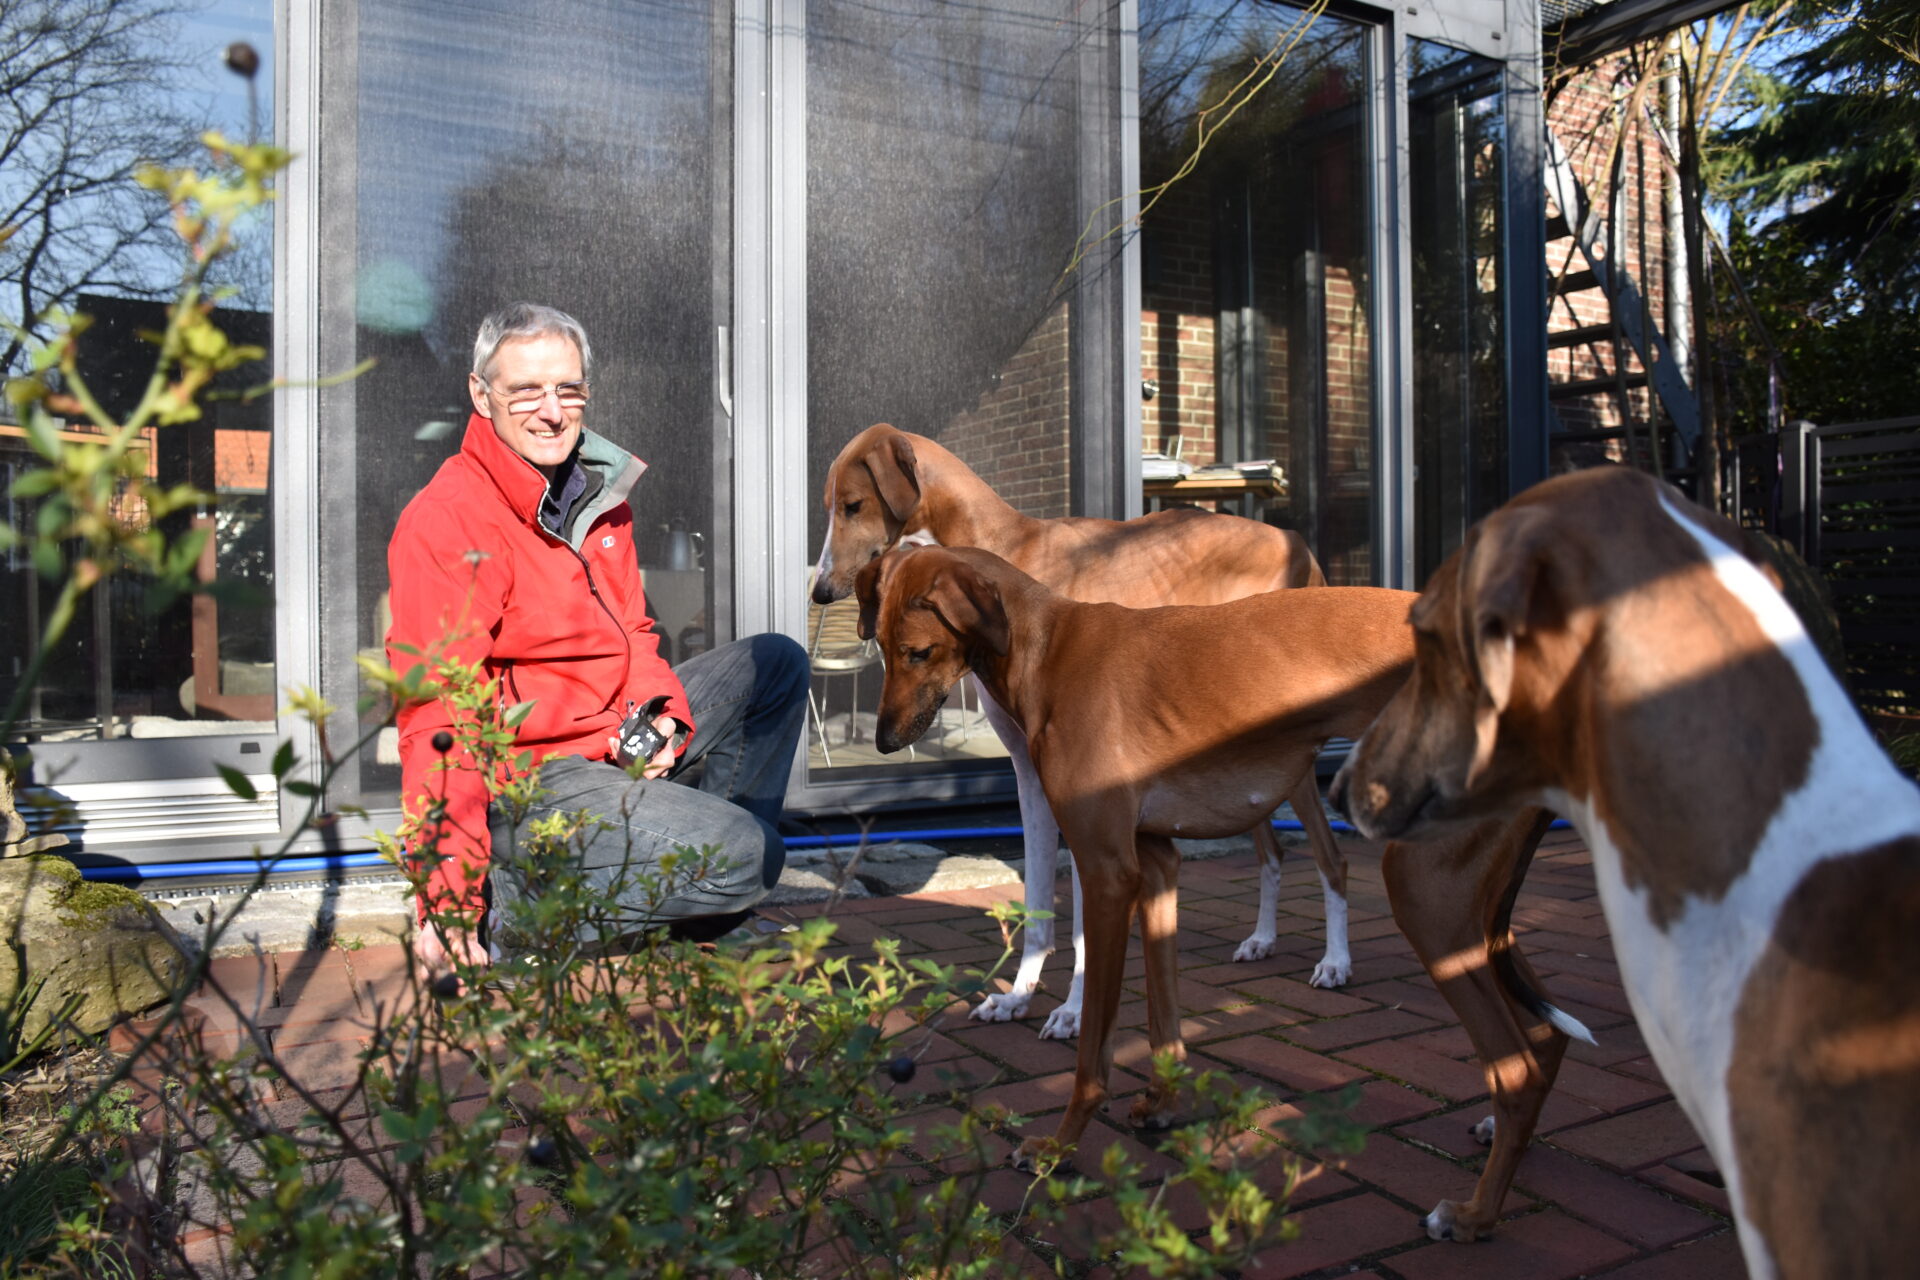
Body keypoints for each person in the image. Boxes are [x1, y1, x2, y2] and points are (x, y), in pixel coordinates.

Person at [386, 302, 807, 973]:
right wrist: (446, 900)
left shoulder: (593, 494)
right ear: (480, 393)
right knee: (755, 854)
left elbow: (633, 631)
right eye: (525, 389)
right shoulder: (450, 520)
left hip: (610, 734)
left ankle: (704, 910)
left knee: (775, 664)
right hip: (531, 777)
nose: (551, 410)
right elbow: (438, 713)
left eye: (568, 388)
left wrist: (660, 713)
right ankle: (518, 910)